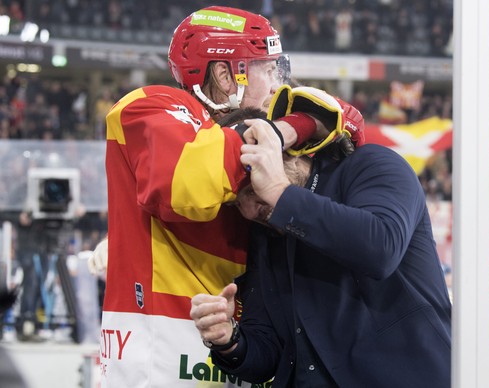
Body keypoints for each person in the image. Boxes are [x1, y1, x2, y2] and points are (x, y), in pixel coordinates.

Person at [99, 6, 361, 388]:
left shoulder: (242, 128)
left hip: (238, 353)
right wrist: (297, 125)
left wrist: (303, 126)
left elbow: (349, 125)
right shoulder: (149, 105)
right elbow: (186, 182)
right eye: (268, 69)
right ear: (226, 74)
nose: (277, 84)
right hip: (160, 358)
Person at [190, 119, 452, 387]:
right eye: (235, 202)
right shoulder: (266, 233)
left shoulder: (372, 165)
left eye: (252, 187)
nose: (247, 209)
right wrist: (228, 341)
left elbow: (381, 247)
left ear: (287, 153)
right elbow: (266, 353)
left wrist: (281, 193)